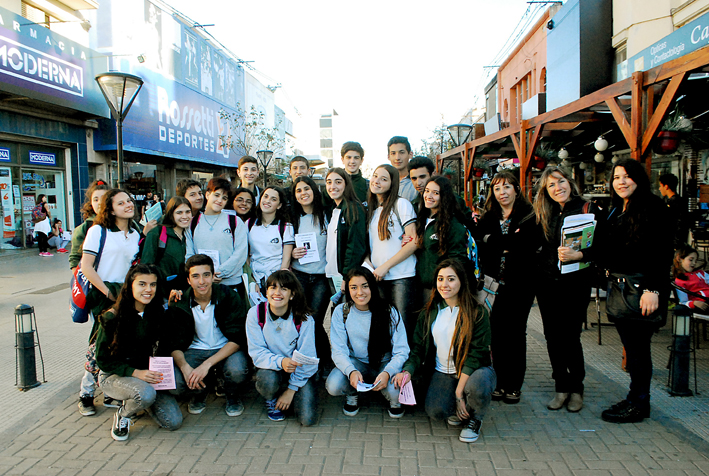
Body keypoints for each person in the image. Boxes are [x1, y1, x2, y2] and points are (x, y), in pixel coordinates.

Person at [601, 158, 673, 423]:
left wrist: (653, 289)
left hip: (642, 289)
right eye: (617, 177)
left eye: (627, 176)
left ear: (638, 178)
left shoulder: (653, 207)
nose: (621, 181)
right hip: (622, 290)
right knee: (633, 349)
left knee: (639, 350)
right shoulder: (616, 209)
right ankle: (635, 398)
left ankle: (640, 404)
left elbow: (662, 252)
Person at [393, 259, 495, 443]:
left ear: (461, 281)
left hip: (473, 371)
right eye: (440, 279)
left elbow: (476, 354)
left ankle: (475, 418)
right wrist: (407, 370)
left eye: (451, 279)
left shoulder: (477, 312)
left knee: (479, 384)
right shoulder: (429, 312)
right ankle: (459, 405)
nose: (444, 284)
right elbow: (417, 349)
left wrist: (458, 393)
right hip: (443, 372)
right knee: (436, 411)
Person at [533, 166, 603, 413]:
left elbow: (605, 247)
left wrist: (580, 253)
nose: (557, 188)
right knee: (552, 336)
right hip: (547, 283)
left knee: (571, 336)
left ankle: (577, 389)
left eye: (560, 182)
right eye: (551, 185)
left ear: (570, 182)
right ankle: (561, 386)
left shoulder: (588, 209)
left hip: (576, 283)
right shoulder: (544, 211)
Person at [95, 264, 182, 441]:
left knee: (173, 422)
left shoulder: (157, 312)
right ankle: (124, 414)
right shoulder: (112, 317)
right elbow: (103, 361)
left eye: (153, 284)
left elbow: (166, 343)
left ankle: (142, 401)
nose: (148, 290)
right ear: (130, 285)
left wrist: (173, 309)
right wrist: (135, 373)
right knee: (145, 394)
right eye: (142, 284)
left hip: (146, 374)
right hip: (115, 375)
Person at [473, 171, 536, 405]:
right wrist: (505, 243)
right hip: (493, 285)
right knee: (497, 335)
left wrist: (495, 241)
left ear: (516, 190)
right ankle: (499, 383)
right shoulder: (488, 216)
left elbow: (525, 245)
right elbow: (481, 242)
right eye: (498, 188)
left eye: (507, 187)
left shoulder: (528, 216)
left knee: (516, 334)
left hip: (520, 284)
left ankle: (514, 385)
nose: (502, 192)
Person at [78, 188, 142, 417]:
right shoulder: (98, 231)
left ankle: (110, 390)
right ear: (110, 208)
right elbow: (86, 266)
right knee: (98, 345)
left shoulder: (136, 233)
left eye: (129, 200)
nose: (128, 205)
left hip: (129, 297)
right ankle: (85, 393)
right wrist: (107, 293)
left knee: (119, 344)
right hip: (105, 297)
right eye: (121, 202)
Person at [165, 254, 249, 416]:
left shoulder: (229, 296)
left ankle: (232, 394)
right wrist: (185, 367)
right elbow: (173, 342)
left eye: (206, 275)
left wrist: (206, 365)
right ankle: (199, 392)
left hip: (226, 348)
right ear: (188, 280)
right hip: (194, 350)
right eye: (195, 276)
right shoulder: (180, 301)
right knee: (175, 383)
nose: (202, 281)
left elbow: (238, 338)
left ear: (212, 276)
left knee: (237, 370)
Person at [326, 267, 409, 418]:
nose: (360, 292)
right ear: (348, 289)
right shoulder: (341, 312)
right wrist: (350, 371)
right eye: (354, 287)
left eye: (365, 286)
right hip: (357, 363)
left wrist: (387, 372)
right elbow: (338, 350)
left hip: (384, 363)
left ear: (372, 286)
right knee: (333, 385)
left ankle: (393, 399)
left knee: (395, 391)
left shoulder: (388, 310)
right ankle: (353, 393)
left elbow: (402, 350)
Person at [246, 270, 318, 426]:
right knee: (267, 379)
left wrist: (291, 390)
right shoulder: (255, 314)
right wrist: (282, 361)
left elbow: (308, 358)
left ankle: (289, 393)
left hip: (298, 370)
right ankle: (271, 398)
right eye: (272, 288)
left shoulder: (304, 318)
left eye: (283, 289)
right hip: (271, 368)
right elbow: (257, 352)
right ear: (266, 291)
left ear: (292, 294)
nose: (277, 293)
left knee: (307, 420)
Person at [365, 164, 418, 337]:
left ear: (392, 183)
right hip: (378, 277)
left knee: (403, 326)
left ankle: (407, 363)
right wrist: (371, 266)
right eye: (375, 176)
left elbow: (414, 242)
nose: (377, 181)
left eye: (384, 179)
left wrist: (386, 266)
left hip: (401, 276)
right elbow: (369, 246)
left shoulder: (401, 204)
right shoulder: (371, 210)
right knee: (384, 325)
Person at [290, 176, 331, 371]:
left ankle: (320, 360)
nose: (303, 193)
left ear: (314, 191)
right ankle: (309, 360)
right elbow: (285, 245)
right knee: (302, 319)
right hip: (300, 275)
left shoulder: (327, 215)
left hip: (322, 277)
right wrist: (292, 254)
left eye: (307, 189)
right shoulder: (292, 218)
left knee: (315, 320)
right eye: (298, 190)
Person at [186, 177, 248, 294]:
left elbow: (240, 253)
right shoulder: (193, 223)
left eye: (224, 198)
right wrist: (205, 276)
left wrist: (220, 272)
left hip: (231, 285)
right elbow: (189, 254)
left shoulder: (234, 221)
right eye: (216, 195)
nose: (220, 200)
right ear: (208, 194)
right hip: (202, 286)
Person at [415, 176, 470, 303]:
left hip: (441, 290)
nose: (429, 196)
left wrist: (447, 286)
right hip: (420, 286)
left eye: (436, 193)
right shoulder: (422, 219)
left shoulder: (453, 224)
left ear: (444, 196)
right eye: (427, 191)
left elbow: (458, 260)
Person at [324, 168, 367, 292]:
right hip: (332, 273)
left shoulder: (354, 208)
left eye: (338, 182)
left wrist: (347, 276)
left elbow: (354, 246)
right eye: (329, 182)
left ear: (346, 184)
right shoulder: (334, 210)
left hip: (344, 276)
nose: (333, 186)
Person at [141, 197, 193, 294]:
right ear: (171, 214)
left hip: (186, 292)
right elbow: (146, 265)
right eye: (179, 213)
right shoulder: (157, 233)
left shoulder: (190, 234)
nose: (185, 216)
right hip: (162, 293)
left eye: (188, 212)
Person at [247, 186, 295, 290]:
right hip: (255, 277)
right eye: (266, 197)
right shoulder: (249, 224)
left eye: (273, 199)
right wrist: (251, 280)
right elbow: (246, 255)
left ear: (279, 205)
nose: (267, 201)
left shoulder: (286, 227)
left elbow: (286, 260)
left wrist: (278, 282)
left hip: (276, 278)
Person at [69, 180, 110, 270]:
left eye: (104, 198)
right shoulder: (84, 228)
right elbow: (75, 260)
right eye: (95, 199)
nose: (99, 203)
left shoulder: (126, 223)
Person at [324, 142, 369, 207]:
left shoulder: (369, 186)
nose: (352, 161)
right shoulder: (331, 186)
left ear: (361, 160)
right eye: (349, 157)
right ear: (342, 160)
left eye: (356, 158)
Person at [673, 245, 709, 310]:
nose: (694, 263)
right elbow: (683, 302)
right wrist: (694, 303)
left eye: (695, 260)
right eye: (691, 260)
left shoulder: (700, 273)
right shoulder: (680, 281)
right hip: (704, 302)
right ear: (679, 259)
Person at [658, 173, 689, 248]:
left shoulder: (672, 203)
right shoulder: (681, 201)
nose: (659, 188)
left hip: (673, 242)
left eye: (660, 186)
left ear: (666, 186)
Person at [387, 136, 417, 202]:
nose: (397, 157)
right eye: (393, 153)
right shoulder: (385, 182)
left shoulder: (417, 181)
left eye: (402, 152)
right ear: (388, 157)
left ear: (410, 154)